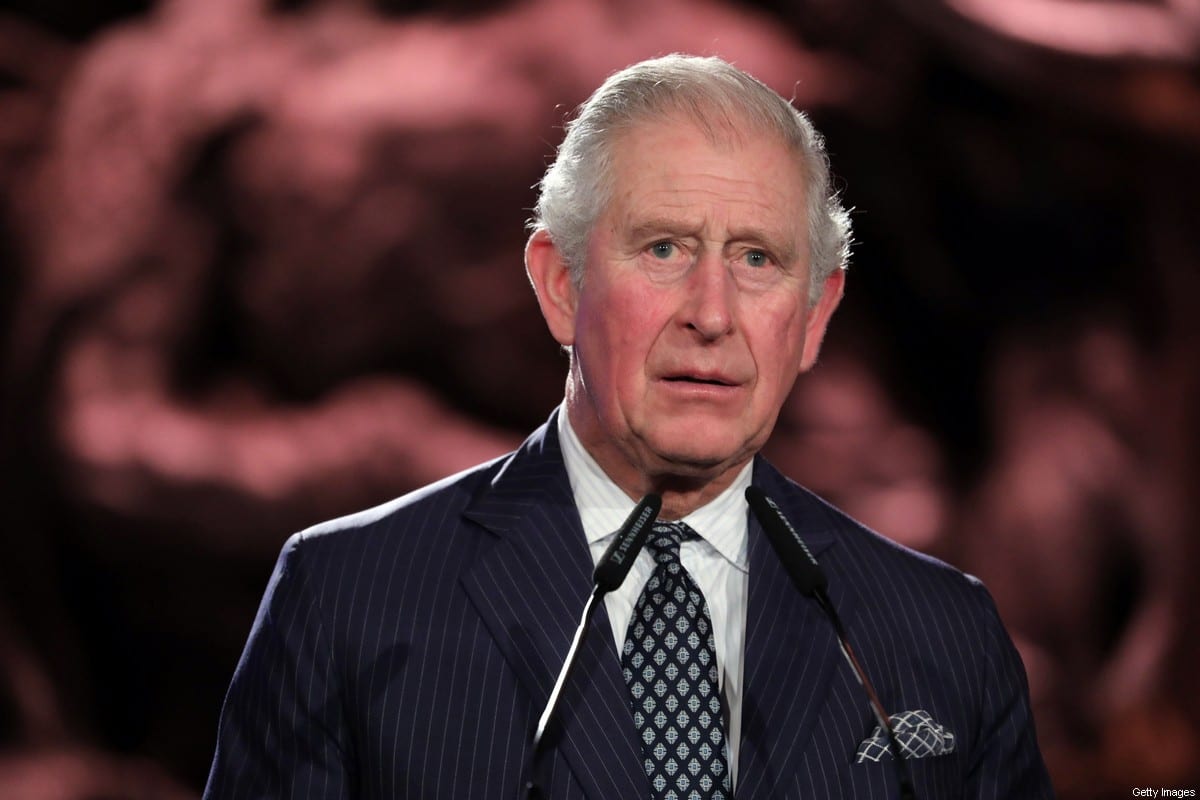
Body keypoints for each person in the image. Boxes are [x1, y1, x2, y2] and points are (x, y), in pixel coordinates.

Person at [203, 54, 1053, 799]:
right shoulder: (346, 598)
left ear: (816, 315)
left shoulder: (942, 633)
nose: (712, 315)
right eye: (664, 250)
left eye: (758, 259)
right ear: (560, 285)